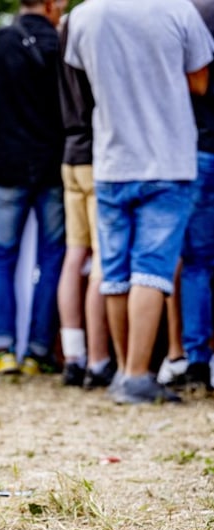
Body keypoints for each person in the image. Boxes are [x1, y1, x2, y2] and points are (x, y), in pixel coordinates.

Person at [65, 0, 214, 404]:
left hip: (112, 159)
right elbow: (200, 82)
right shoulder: (178, 11)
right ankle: (136, 374)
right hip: (167, 159)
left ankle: (121, 372)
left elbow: (81, 84)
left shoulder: (84, 15)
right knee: (151, 268)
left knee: (114, 270)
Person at [0, 0, 66, 376]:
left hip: (5, 165)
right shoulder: (61, 45)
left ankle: (1, 348)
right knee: (51, 260)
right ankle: (39, 352)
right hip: (53, 166)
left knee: (0, 259)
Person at [55, 0, 114, 389]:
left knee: (75, 255)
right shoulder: (102, 24)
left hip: (70, 153)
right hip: (97, 153)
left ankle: (73, 355)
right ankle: (97, 360)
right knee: (102, 261)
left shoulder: (67, 25)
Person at [180, 0, 214, 391]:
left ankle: (196, 361)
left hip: (199, 146)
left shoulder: (189, 13)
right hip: (200, 147)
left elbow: (195, 81)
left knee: (197, 263)